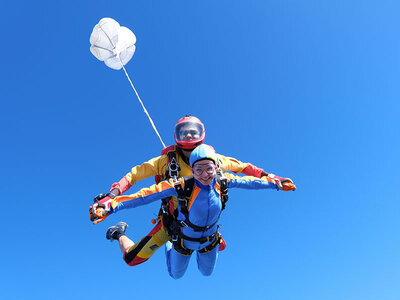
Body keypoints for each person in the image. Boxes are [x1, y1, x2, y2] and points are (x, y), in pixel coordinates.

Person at [90, 115, 295, 266]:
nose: (189, 134)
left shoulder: (215, 159)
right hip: (172, 222)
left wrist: (271, 178)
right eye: (184, 131)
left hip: (204, 218)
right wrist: (113, 195)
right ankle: (118, 233)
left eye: (193, 131)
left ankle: (210, 234)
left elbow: (244, 167)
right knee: (131, 259)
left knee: (214, 240)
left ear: (201, 134)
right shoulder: (166, 161)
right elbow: (134, 175)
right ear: (177, 136)